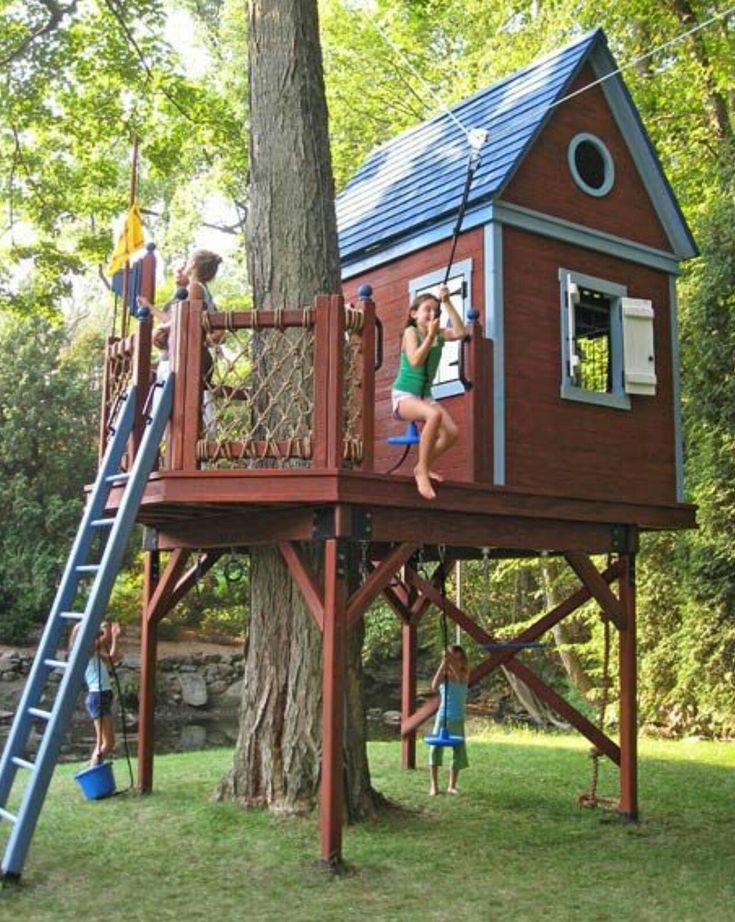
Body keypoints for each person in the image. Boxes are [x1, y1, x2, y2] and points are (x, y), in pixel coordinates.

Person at [390, 284, 466, 500]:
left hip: (425, 396)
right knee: (434, 415)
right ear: (414, 314)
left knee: (451, 433)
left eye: (435, 310)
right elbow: (414, 360)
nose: (432, 314)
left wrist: (448, 302)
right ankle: (422, 471)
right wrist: (430, 337)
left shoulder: (438, 334)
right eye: (427, 309)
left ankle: (422, 466)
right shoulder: (410, 332)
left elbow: (460, 332)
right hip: (404, 395)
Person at [70, 621, 123, 767]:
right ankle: (92, 769)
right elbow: (105, 639)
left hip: (102, 696)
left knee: (106, 743)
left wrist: (115, 637)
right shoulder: (83, 649)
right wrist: (105, 628)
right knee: (106, 743)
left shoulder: (92, 651)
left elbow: (113, 658)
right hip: (97, 697)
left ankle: (93, 767)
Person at [428, 645, 469, 796]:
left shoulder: (464, 674)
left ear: (462, 661)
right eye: (452, 658)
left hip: (457, 718)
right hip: (443, 717)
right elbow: (433, 686)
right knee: (435, 749)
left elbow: (458, 678)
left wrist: (449, 660)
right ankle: (434, 785)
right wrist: (443, 663)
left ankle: (452, 785)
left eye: (458, 659)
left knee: (458, 751)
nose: (455, 662)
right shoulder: (444, 676)